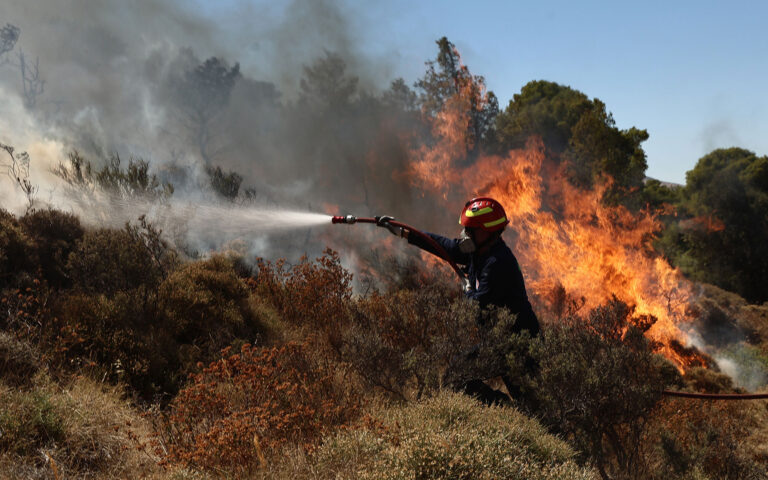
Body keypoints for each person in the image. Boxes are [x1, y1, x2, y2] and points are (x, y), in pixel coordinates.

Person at [377, 197, 539, 405]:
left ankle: (510, 410)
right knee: (457, 376)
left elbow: (476, 306)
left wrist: (469, 290)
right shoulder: (479, 251)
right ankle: (504, 407)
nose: (465, 235)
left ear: (488, 232)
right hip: (500, 341)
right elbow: (444, 246)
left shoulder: (498, 263)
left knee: (534, 405)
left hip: (519, 345)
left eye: (471, 230)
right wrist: (405, 232)